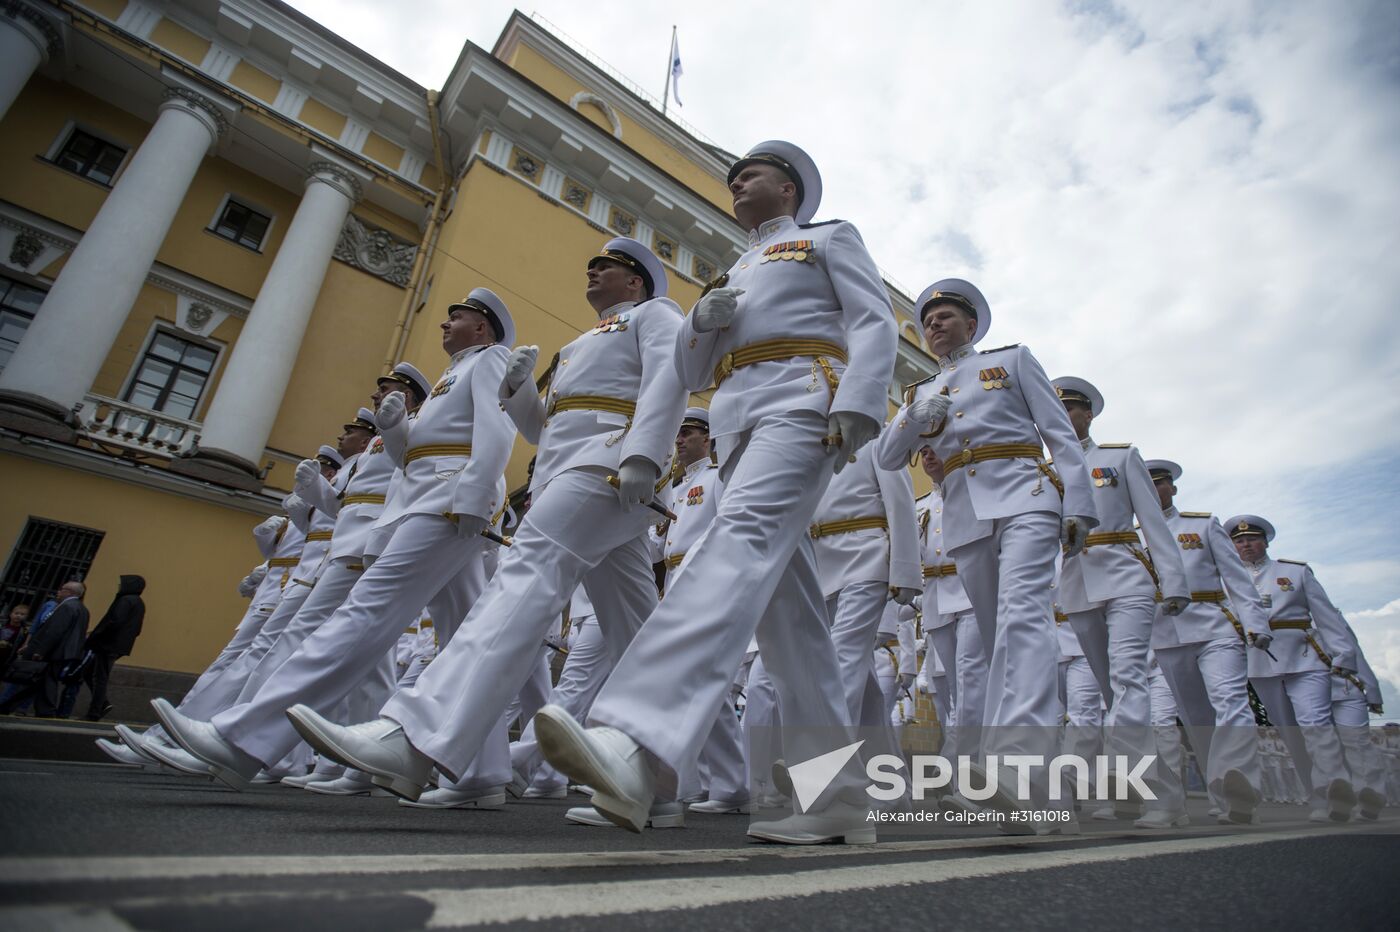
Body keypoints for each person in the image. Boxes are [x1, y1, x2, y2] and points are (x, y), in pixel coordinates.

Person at [535, 140, 898, 844]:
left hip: (802, 397)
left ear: (789, 190)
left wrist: (861, 397)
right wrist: (702, 323)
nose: (736, 182)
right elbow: (695, 367)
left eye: (751, 174)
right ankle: (838, 799)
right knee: (791, 622)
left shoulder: (826, 238)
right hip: (737, 417)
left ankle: (634, 739)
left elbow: (872, 318)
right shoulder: (735, 268)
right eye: (734, 176)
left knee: (737, 543)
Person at [290, 236, 687, 818]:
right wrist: (521, 389)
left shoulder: (656, 315)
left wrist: (646, 456)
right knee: (637, 630)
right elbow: (542, 429)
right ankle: (667, 777)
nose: (592, 270)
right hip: (568, 469)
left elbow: (666, 382)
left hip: (610, 460)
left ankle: (415, 737)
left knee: (522, 578)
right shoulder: (577, 345)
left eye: (605, 266)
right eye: (591, 262)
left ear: (635, 282)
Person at [154, 289, 517, 791]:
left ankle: (244, 739)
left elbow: (496, 430)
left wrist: (476, 496)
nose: (444, 324)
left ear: (481, 327)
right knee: (463, 635)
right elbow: (411, 455)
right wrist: (393, 430)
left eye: (455, 317)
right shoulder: (449, 378)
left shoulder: (491, 359)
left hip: (450, 497)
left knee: (364, 612)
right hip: (426, 498)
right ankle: (482, 771)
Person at [875, 279, 1096, 829]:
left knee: (1024, 621)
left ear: (972, 325)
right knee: (1003, 641)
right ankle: (1043, 794)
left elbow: (1058, 435)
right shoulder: (919, 394)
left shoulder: (1013, 361)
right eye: (928, 320)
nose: (934, 325)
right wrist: (915, 415)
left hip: (1026, 495)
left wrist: (1079, 504)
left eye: (946, 316)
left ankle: (1014, 770)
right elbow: (885, 454)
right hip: (966, 517)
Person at [1050, 376, 1189, 826]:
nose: (1063, 418)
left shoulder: (1119, 457)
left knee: (1129, 678)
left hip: (1127, 573)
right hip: (1076, 582)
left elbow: (1154, 523)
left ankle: (1138, 786)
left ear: (1088, 414)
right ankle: (1162, 795)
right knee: (1112, 689)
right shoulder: (1043, 469)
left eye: (1070, 409)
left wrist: (1174, 583)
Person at [1144, 459, 1270, 825]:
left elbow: (1237, 578)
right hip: (1165, 635)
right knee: (1195, 720)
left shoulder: (1202, 525)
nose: (1156, 490)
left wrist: (1254, 621)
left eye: (1162, 483)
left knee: (1231, 702)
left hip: (1215, 625)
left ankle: (1238, 788)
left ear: (1173, 488)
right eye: (1148, 484)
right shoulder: (1133, 535)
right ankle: (1204, 796)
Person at [1229, 514, 1358, 822]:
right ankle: (1317, 795)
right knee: (1290, 733)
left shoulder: (1294, 572)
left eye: (1252, 539)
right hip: (1259, 661)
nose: (1246, 545)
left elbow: (1326, 615)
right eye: (1240, 541)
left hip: (1303, 655)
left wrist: (1343, 654)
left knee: (1316, 721)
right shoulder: (1228, 579)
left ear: (1265, 542)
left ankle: (1335, 791)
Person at [0, 581, 88, 716]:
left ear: (69, 592)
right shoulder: (82, 609)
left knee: (45, 682)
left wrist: (41, 650)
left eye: (61, 589)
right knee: (40, 683)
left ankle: (46, 710)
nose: (58, 592)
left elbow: (55, 631)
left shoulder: (66, 607)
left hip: (55, 652)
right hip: (66, 653)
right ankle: (12, 706)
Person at [81, 575, 146, 721]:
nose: (119, 586)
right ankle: (102, 704)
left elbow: (114, 621)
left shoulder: (125, 600)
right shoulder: (139, 603)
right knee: (90, 672)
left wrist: (95, 636)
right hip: (117, 646)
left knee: (99, 677)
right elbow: (137, 629)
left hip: (108, 644)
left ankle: (95, 711)